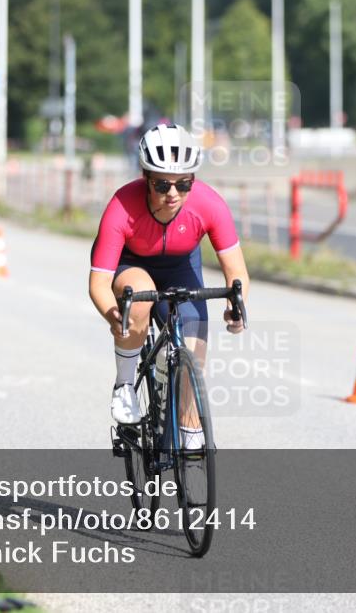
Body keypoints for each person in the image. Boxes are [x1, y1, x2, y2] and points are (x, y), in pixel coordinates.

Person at [88, 123, 249, 450]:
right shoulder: (122, 205)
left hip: (180, 268)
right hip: (132, 264)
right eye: (162, 184)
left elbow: (237, 273)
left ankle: (185, 437)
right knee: (140, 301)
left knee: (191, 359)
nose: (173, 194)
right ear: (145, 178)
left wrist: (235, 305)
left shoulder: (209, 204)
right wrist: (116, 318)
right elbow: (98, 284)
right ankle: (125, 386)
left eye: (183, 184)